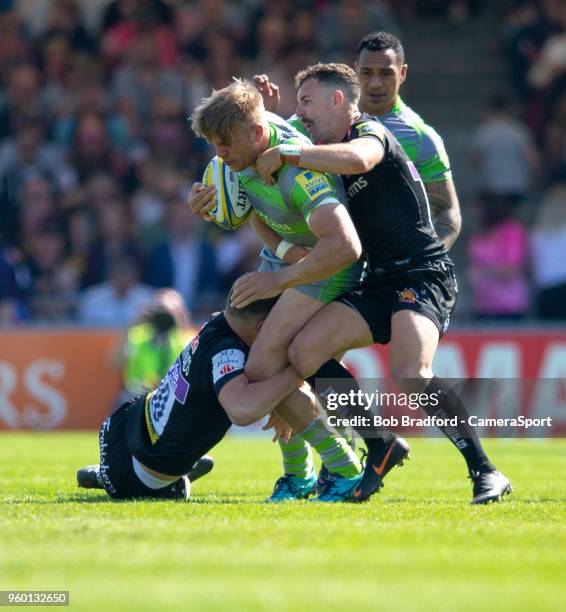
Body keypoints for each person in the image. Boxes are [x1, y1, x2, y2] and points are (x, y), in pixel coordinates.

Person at [241, 63, 512, 505]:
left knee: (410, 374)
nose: (301, 113)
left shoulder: (370, 132)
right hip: (379, 280)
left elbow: (360, 160)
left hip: (421, 274)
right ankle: (380, 441)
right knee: (304, 352)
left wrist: (290, 154)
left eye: (307, 101)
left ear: (337, 101)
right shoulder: (318, 144)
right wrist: (267, 114)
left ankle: (486, 471)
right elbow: (272, 138)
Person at [189, 79, 370, 502]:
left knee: (264, 369)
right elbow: (242, 204)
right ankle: (303, 476)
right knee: (264, 367)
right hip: (291, 262)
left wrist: (282, 278)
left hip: (327, 268)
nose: (219, 155)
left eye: (224, 145)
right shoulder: (243, 146)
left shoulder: (299, 174)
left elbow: (345, 247)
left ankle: (343, 468)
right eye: (213, 145)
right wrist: (200, 202)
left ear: (256, 135)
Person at [76, 288, 363, 502]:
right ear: (263, 327)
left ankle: (300, 476)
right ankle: (324, 470)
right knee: (276, 379)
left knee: (273, 377)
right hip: (144, 475)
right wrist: (298, 371)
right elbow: (242, 410)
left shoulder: (218, 322)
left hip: (130, 428)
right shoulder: (226, 352)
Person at [254, 31, 462, 251]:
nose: (375, 84)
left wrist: (430, 257)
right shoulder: (318, 118)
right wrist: (267, 118)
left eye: (385, 73)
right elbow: (264, 156)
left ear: (402, 73)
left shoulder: (420, 137)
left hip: (388, 263)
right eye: (366, 72)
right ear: (355, 70)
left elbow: (448, 209)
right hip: (334, 251)